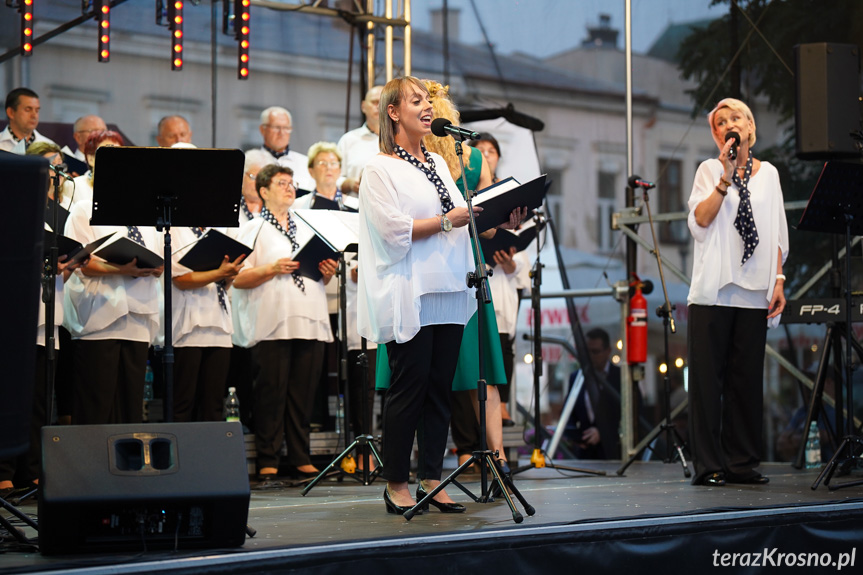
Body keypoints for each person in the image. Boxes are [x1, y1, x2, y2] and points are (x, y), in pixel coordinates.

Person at [358, 76, 477, 515]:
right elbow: (393, 233)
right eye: (416, 100)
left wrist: (495, 218)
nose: (427, 107)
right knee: (409, 389)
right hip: (409, 290)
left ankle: (431, 476)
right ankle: (395, 482)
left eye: (428, 100)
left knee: (439, 390)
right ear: (393, 112)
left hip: (445, 286)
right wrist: (448, 221)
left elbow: (456, 220)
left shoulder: (441, 164)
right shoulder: (379, 168)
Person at [421, 81, 524, 477]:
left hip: (467, 264)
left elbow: (486, 230)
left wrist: (502, 218)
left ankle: (493, 455)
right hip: (431, 261)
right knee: (443, 366)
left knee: (480, 363)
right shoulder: (413, 156)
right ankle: (457, 451)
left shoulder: (474, 160)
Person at [687, 97, 788, 486]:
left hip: (754, 290)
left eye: (737, 117)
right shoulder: (709, 169)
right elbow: (701, 219)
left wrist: (778, 281)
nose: (729, 123)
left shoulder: (770, 175)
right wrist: (725, 177)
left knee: (746, 381)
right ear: (717, 135)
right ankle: (710, 465)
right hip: (714, 290)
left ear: (750, 128)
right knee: (707, 383)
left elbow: (778, 232)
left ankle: (742, 462)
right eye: (721, 121)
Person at [232, 164, 337, 481]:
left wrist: (328, 270)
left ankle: (300, 455)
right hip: (272, 320)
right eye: (282, 183)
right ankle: (268, 456)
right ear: (263, 192)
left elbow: (324, 273)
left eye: (292, 183)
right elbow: (237, 278)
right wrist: (271, 268)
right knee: (271, 392)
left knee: (303, 393)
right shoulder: (253, 229)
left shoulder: (307, 226)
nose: (290, 188)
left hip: (309, 316)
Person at [63, 130, 164, 425]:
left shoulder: (144, 210)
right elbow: (79, 261)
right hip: (100, 315)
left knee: (130, 403)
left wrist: (153, 267)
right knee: (97, 401)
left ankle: (128, 465)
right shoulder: (84, 208)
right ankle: (90, 468)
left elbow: (157, 255)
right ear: (91, 159)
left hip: (138, 312)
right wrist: (123, 270)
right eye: (108, 154)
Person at [171, 224, 246, 422]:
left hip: (218, 323)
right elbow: (180, 279)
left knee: (213, 404)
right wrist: (220, 273)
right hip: (188, 324)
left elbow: (224, 283)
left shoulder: (220, 232)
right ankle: (180, 452)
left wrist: (229, 274)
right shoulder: (177, 230)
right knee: (183, 402)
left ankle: (210, 453)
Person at [251, 106, 315, 192]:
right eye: (276, 127)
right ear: (263, 129)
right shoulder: (251, 163)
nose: (281, 133)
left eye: (286, 128)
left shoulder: (306, 164)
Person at [337, 85, 383, 195]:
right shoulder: (348, 140)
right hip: (354, 207)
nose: (379, 106)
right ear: (363, 106)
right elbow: (333, 179)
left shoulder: (400, 140)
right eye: (374, 102)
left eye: (383, 102)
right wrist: (350, 183)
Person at [1, 87, 56, 153]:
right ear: (11, 113)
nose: (34, 116)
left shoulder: (50, 146)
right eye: (28, 109)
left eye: (37, 110)